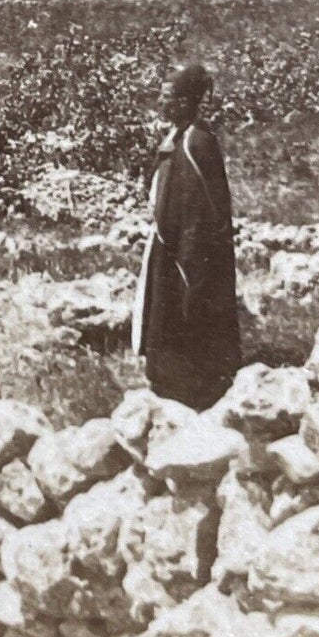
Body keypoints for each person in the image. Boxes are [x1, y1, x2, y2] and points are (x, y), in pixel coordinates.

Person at [131, 63, 241, 411]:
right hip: (172, 245)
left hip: (191, 251)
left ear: (183, 102)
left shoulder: (198, 142)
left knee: (189, 312)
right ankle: (172, 383)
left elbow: (201, 210)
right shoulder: (180, 137)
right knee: (168, 311)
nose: (160, 105)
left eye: (166, 98)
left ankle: (194, 391)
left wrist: (190, 263)